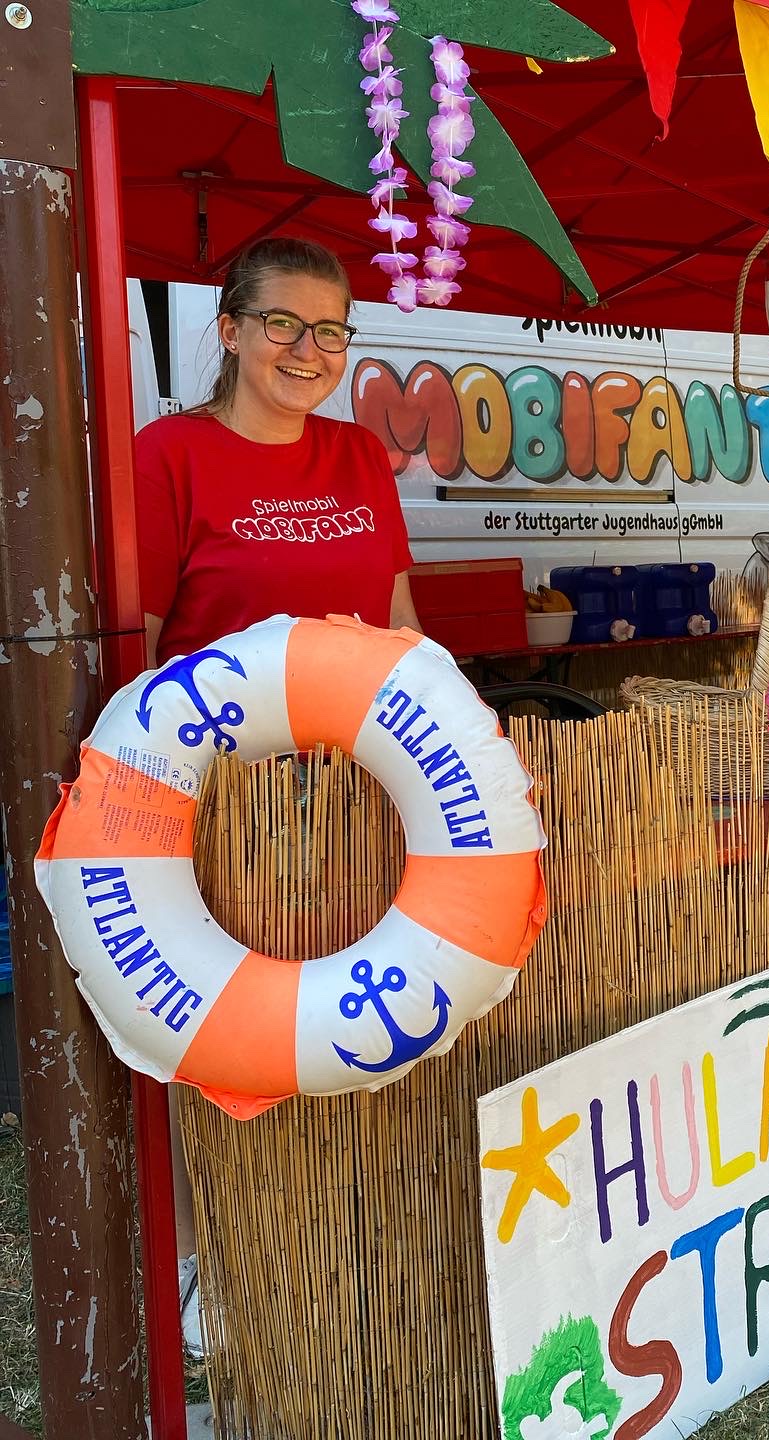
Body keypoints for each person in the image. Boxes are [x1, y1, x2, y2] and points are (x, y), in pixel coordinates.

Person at [135, 235, 420, 1355]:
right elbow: (139, 651)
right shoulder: (171, 455)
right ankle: (201, 1259)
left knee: (344, 1019)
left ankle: (338, 1237)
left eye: (331, 330)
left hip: (353, 797)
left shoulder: (358, 456)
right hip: (223, 806)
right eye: (284, 324)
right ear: (232, 330)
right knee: (217, 1035)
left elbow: (400, 625)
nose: (309, 350)